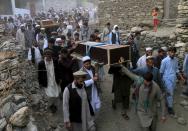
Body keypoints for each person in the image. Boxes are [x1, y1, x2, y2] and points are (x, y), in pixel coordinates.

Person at [120, 66, 166, 131]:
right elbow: (131, 75)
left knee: (153, 128)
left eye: (149, 82)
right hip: (141, 111)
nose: (147, 83)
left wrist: (163, 115)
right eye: (145, 81)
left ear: (151, 80)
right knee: (145, 128)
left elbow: (162, 99)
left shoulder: (156, 87)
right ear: (143, 79)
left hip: (152, 112)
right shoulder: (140, 81)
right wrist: (122, 67)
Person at [160, 47, 185, 115]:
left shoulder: (176, 59)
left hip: (174, 79)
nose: (172, 53)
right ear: (168, 52)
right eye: (171, 52)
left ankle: (166, 102)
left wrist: (181, 77)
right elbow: (161, 71)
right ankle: (170, 107)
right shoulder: (164, 61)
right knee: (170, 93)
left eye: (174, 52)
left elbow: (176, 69)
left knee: (170, 92)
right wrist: (160, 81)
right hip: (166, 78)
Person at [38, 49, 61, 113]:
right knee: (49, 95)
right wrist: (40, 83)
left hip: (54, 79)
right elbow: (39, 74)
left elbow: (58, 70)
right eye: (46, 54)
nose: (48, 55)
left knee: (56, 94)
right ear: (44, 55)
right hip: (47, 80)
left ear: (51, 55)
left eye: (49, 54)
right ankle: (51, 105)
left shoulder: (55, 61)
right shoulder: (41, 63)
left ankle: (54, 105)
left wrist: (60, 78)